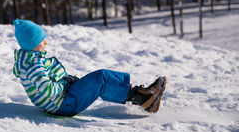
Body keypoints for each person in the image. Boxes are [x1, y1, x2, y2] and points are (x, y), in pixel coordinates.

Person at [12, 19, 166, 117]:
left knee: (100, 80)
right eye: (41, 41)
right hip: (63, 104)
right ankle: (143, 98)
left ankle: (140, 97)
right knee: (101, 77)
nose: (45, 43)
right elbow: (48, 90)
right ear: (31, 44)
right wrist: (66, 83)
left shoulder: (31, 61)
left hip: (62, 101)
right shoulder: (33, 66)